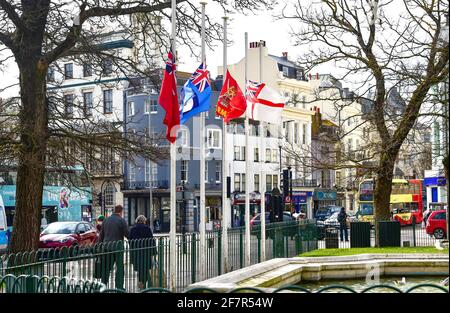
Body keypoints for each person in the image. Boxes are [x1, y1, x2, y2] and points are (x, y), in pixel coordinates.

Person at [98, 204, 129, 290]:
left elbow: (101, 235)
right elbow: (127, 234)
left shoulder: (106, 220)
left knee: (106, 268)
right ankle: (119, 287)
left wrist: (99, 246)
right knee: (119, 268)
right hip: (118, 248)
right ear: (121, 212)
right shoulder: (121, 220)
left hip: (106, 248)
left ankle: (103, 286)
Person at [130, 215, 156, 290]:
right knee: (145, 268)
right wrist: (154, 252)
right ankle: (143, 283)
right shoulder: (147, 228)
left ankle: (141, 282)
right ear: (144, 221)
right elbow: (151, 240)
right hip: (146, 252)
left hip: (136, 253)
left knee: (139, 268)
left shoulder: (132, 229)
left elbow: (130, 241)